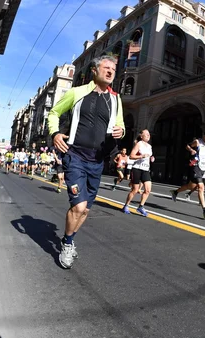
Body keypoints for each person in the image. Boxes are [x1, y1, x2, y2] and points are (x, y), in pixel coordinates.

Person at [49, 55, 125, 269]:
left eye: (113, 69)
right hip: (75, 157)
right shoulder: (77, 93)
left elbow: (121, 126)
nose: (110, 71)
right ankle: (68, 244)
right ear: (94, 70)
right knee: (78, 205)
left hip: (97, 161)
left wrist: (122, 131)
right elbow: (54, 113)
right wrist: (55, 133)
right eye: (106, 67)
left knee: (86, 210)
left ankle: (68, 240)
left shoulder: (116, 99)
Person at [170, 130, 205, 219]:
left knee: (191, 186)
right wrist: (191, 150)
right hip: (195, 165)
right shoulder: (197, 142)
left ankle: (175, 192)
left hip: (204, 168)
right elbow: (187, 146)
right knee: (201, 187)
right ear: (204, 136)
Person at [122, 129, 154, 216]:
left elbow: (149, 156)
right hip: (137, 168)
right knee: (135, 190)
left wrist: (151, 158)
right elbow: (131, 156)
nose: (148, 135)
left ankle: (141, 206)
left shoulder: (149, 146)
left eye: (149, 134)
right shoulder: (139, 144)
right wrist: (141, 156)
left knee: (147, 190)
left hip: (146, 169)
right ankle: (126, 205)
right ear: (141, 136)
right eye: (146, 134)